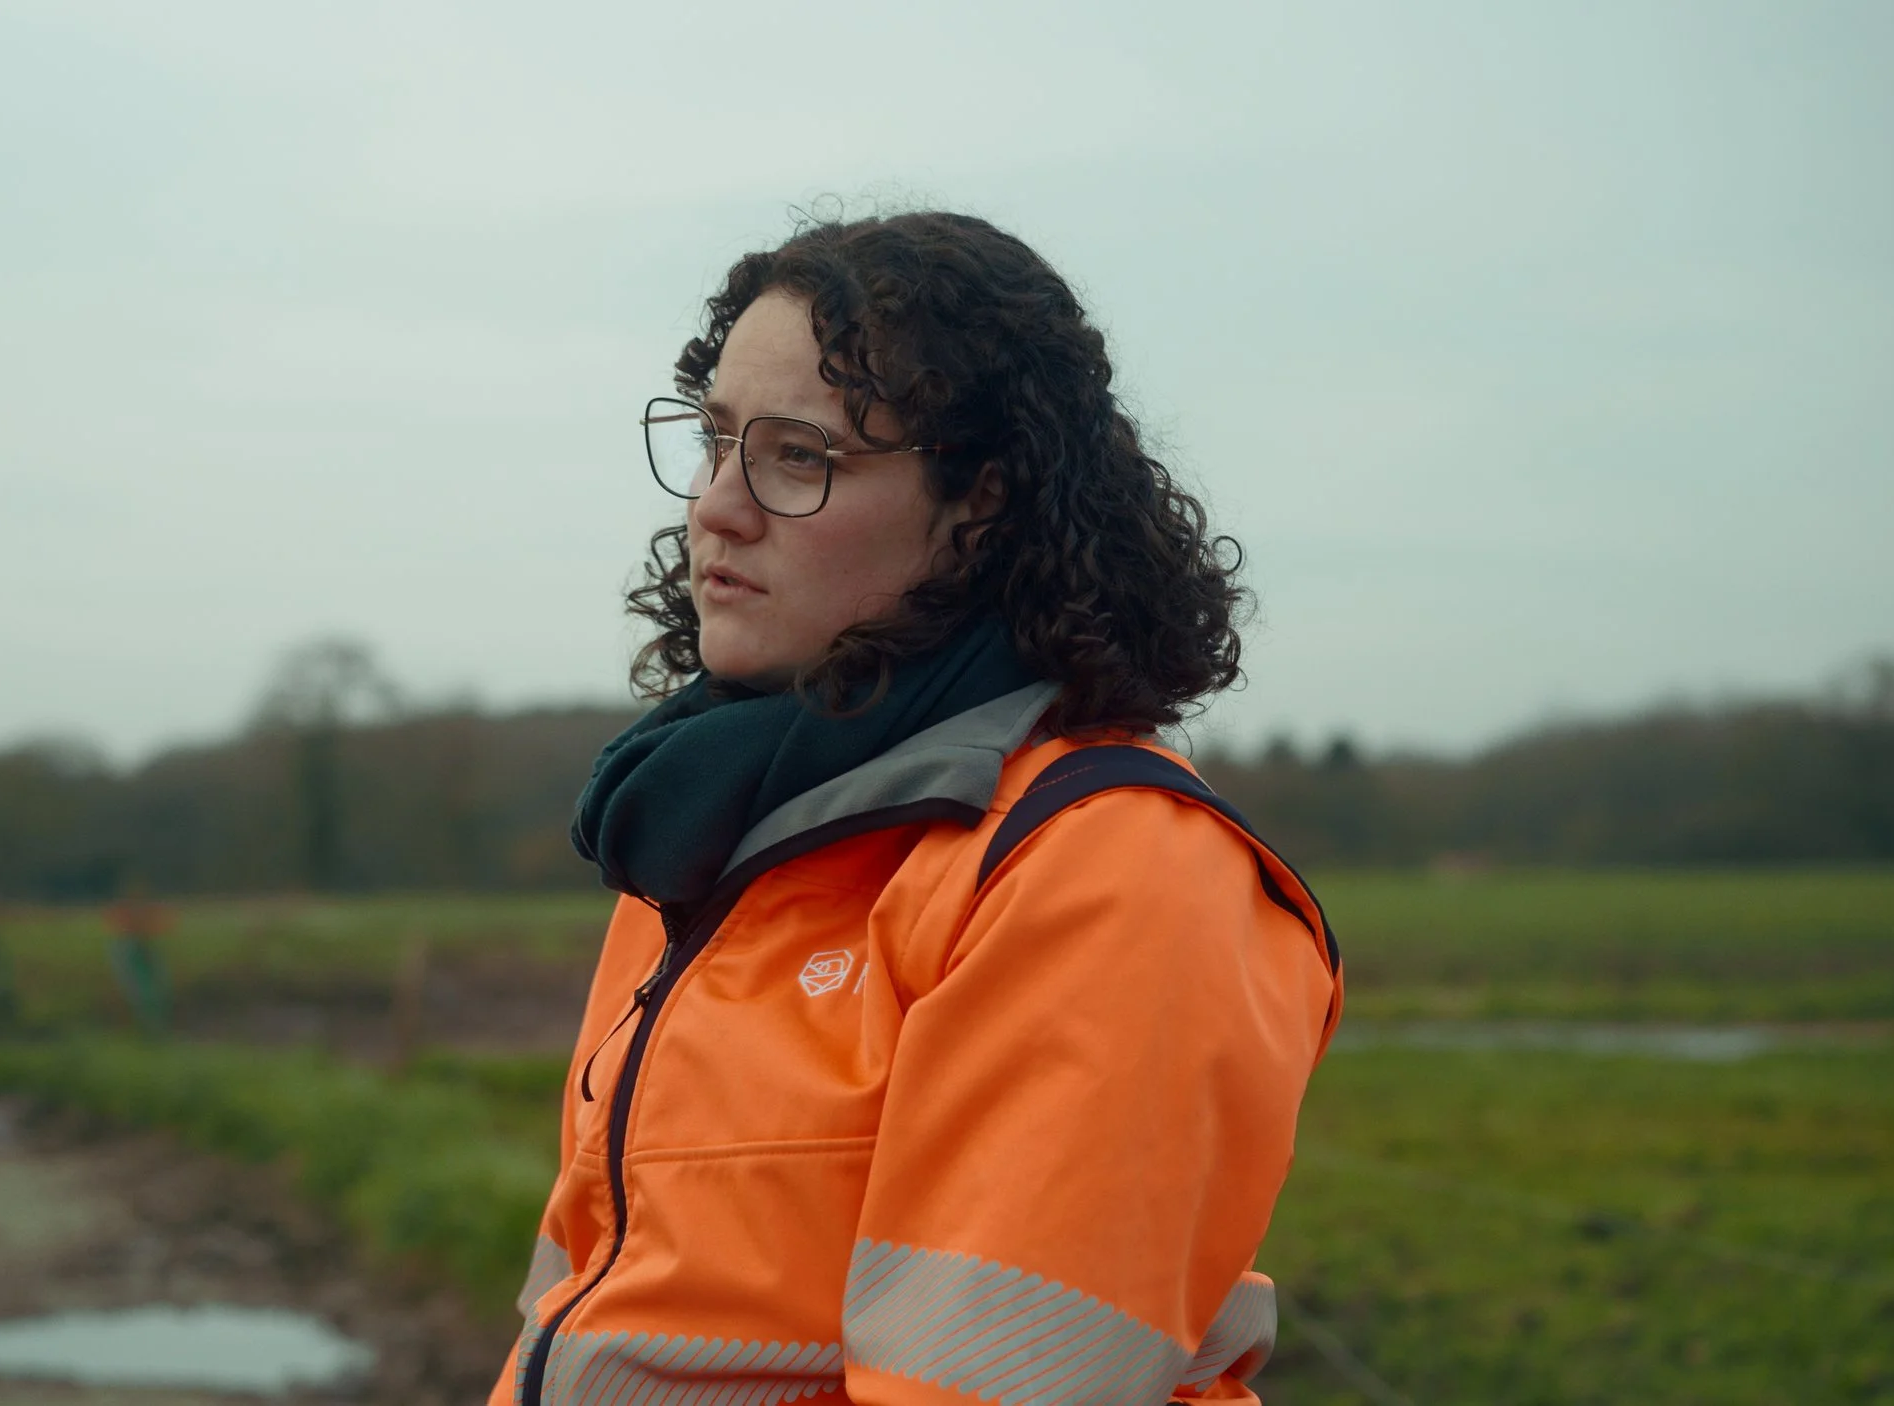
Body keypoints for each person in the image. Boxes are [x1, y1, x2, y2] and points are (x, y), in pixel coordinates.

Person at [501, 211, 1342, 1406]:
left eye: (799, 456)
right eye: (715, 439)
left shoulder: (1100, 866)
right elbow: (584, 1312)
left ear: (978, 504)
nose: (717, 507)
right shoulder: (704, 839)